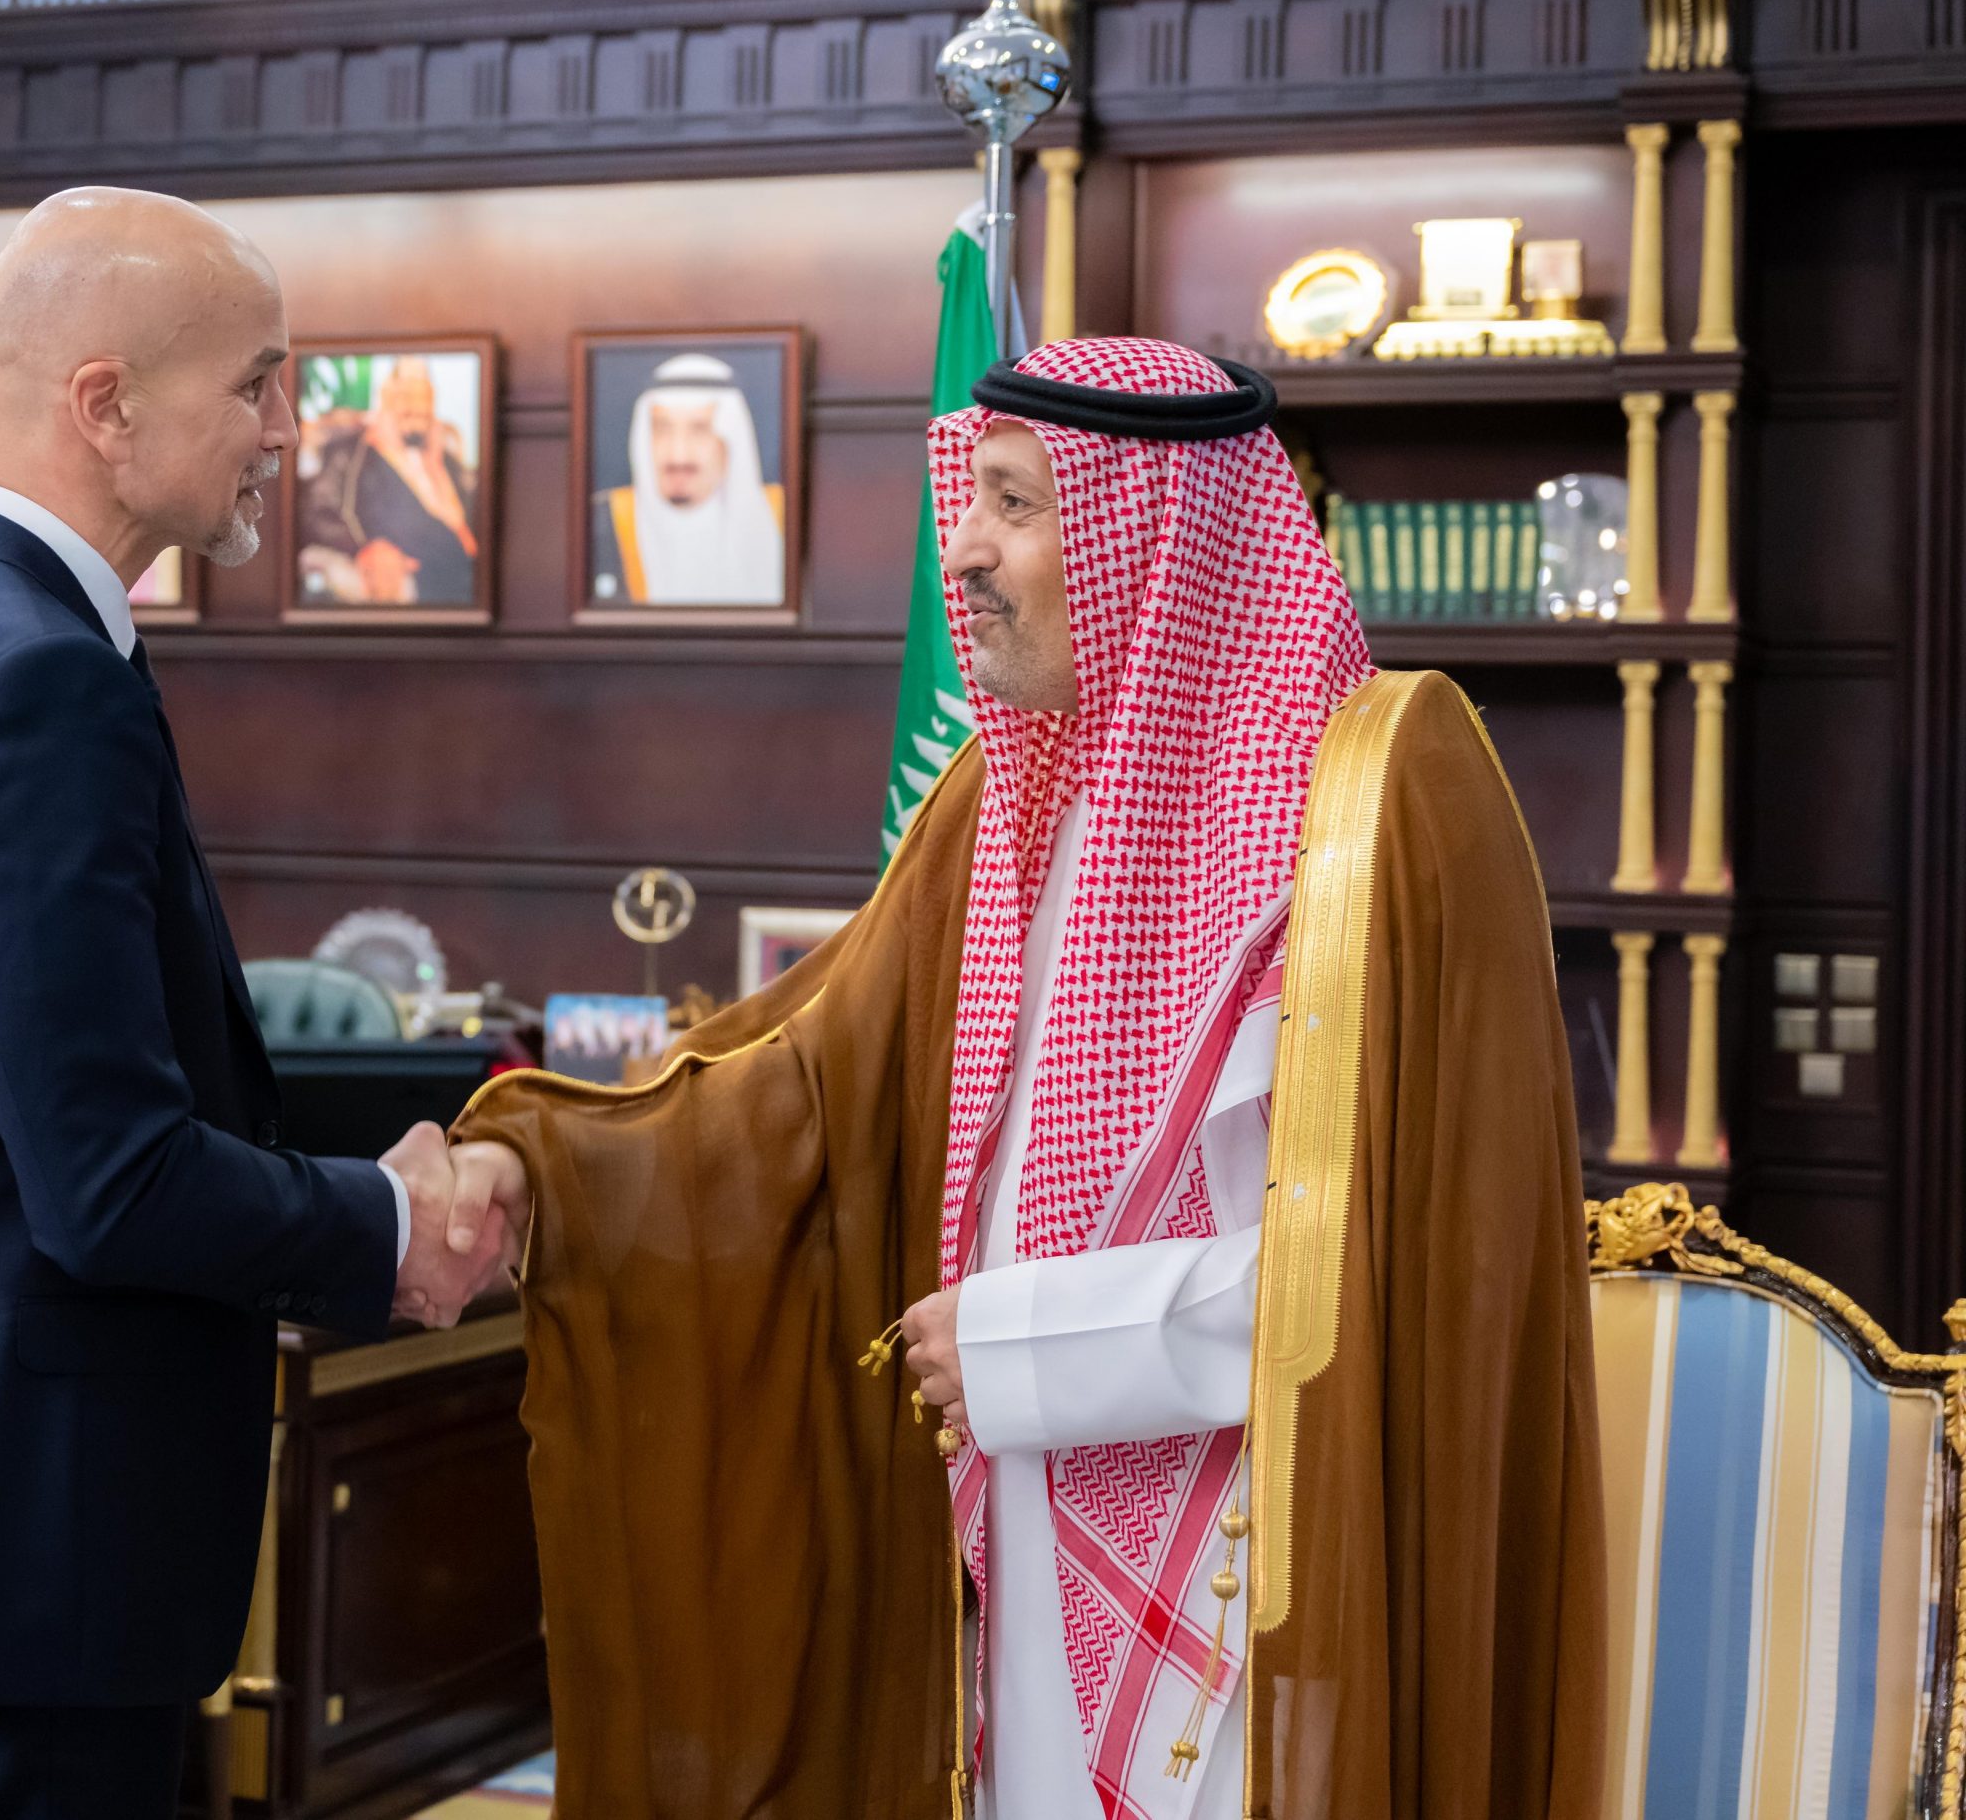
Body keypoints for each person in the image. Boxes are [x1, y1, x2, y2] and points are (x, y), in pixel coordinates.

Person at [451, 337, 1607, 1817]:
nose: (963, 551)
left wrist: (1024, 1347)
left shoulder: (1377, 812)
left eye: (1014, 504)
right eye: (968, 498)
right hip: (1009, 1515)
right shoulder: (1003, 801)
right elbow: (809, 1081)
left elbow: (1411, 1260)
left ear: (1157, 537)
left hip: (1275, 1572)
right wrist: (535, 1166)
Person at [0, 186, 510, 1820]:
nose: (285, 430)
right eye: (256, 382)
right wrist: (385, 1225)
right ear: (106, 402)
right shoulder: (35, 675)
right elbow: (106, 1178)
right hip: (14, 1554)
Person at [587, 352, 786, 606]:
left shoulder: (783, 517)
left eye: (700, 429)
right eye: (662, 429)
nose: (678, 455)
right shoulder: (603, 521)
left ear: (731, 439)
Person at [296, 355, 481, 607]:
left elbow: (472, 529)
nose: (414, 407)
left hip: (465, 580)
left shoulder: (446, 461)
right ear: (386, 396)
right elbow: (317, 512)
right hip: (413, 584)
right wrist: (365, 548)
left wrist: (435, 469)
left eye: (422, 395)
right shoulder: (353, 454)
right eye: (405, 394)